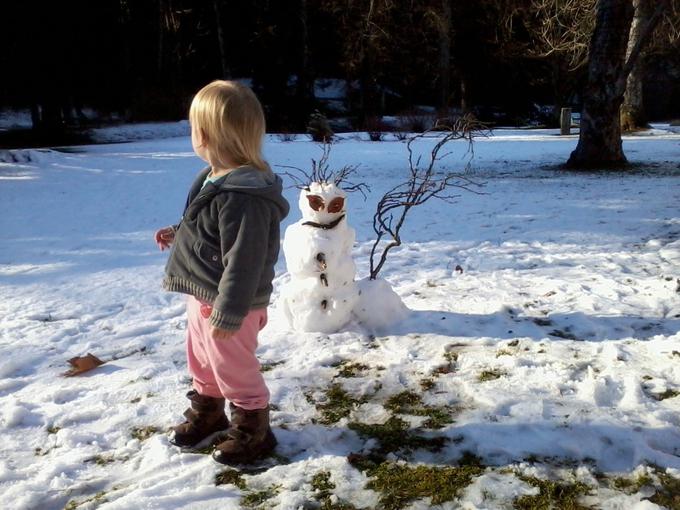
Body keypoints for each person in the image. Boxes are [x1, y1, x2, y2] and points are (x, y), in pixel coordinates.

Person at [154, 80, 289, 464]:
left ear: (211, 136)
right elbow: (204, 225)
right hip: (203, 292)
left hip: (233, 303)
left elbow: (244, 261)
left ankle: (253, 428)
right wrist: (178, 232)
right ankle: (209, 413)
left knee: (234, 366)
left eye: (194, 128)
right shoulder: (212, 177)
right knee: (201, 357)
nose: (191, 135)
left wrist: (230, 312)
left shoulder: (243, 198)